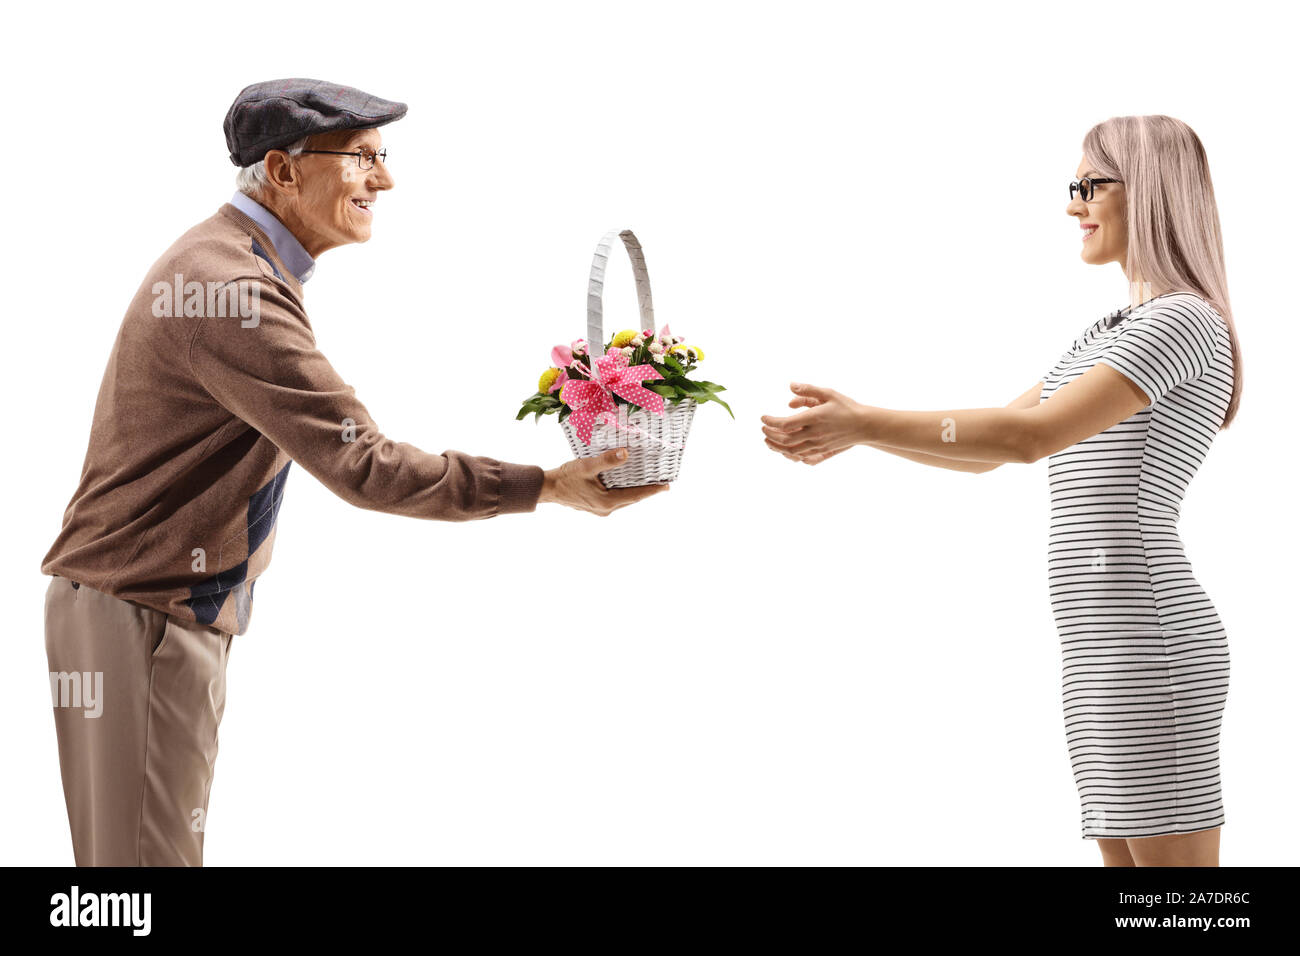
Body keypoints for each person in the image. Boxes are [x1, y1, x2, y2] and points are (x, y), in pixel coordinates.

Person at [41, 78, 666, 866]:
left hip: (146, 605)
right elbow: (361, 465)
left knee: (131, 872)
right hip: (143, 610)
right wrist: (542, 486)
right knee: (138, 882)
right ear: (283, 169)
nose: (386, 178)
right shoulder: (231, 292)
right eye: (362, 158)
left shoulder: (235, 261)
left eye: (384, 155)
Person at [760, 114, 1241, 867]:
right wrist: (861, 432)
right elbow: (988, 449)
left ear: (1145, 189)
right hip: (1099, 645)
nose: (1073, 205)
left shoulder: (1180, 321)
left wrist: (866, 421)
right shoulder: (1111, 329)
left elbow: (1028, 439)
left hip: (1145, 643)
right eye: (1071, 186)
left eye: (1090, 185)